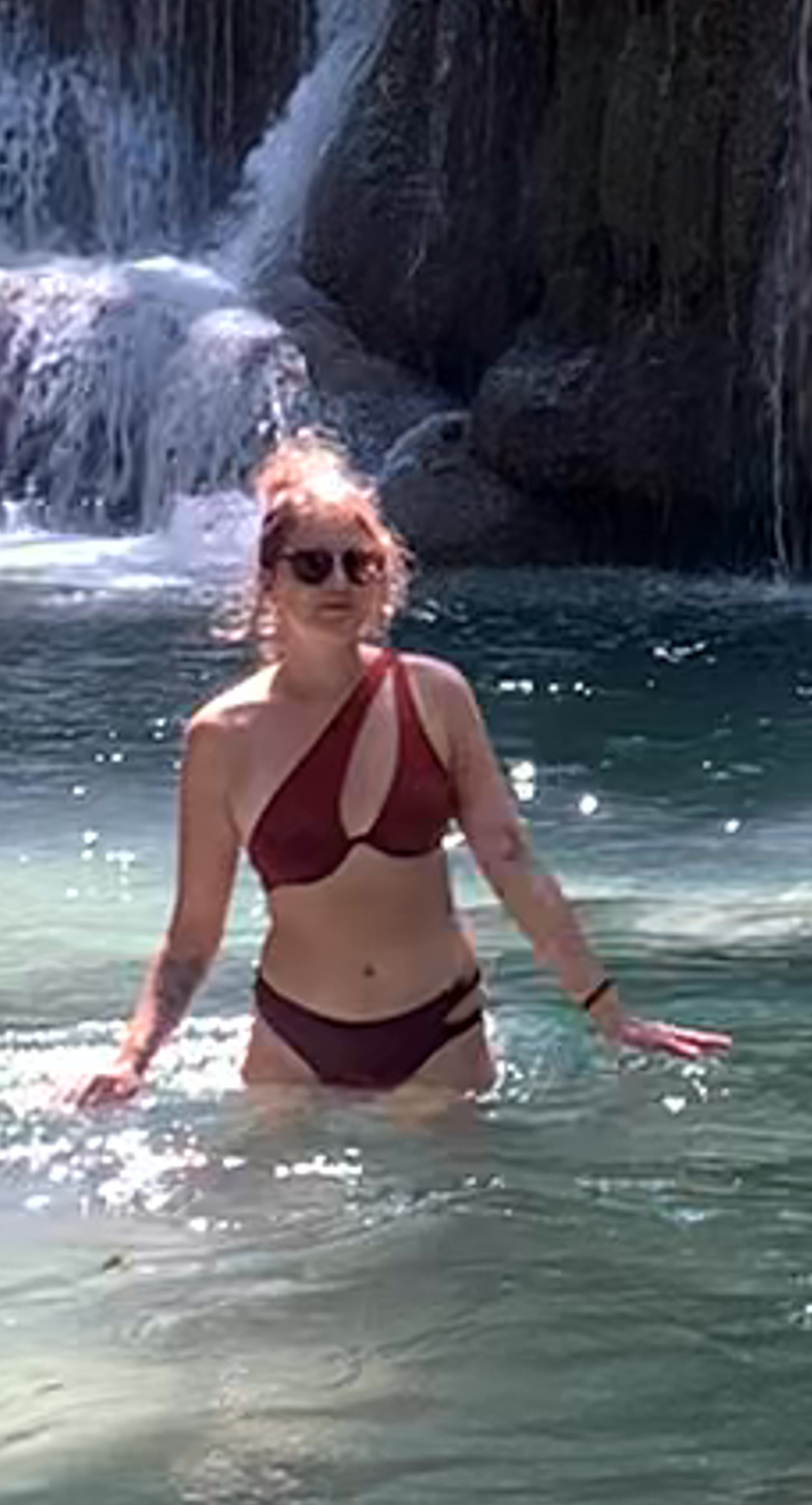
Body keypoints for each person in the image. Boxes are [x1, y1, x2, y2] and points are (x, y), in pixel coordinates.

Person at [73, 436, 726, 1120]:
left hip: (438, 1033)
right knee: (260, 1226)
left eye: (360, 564)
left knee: (452, 1222)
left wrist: (608, 1010)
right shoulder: (221, 735)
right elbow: (192, 933)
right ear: (270, 580)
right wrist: (131, 1058)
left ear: (385, 577)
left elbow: (511, 859)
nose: (338, 582)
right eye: (313, 564)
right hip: (294, 1038)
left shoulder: (436, 696)